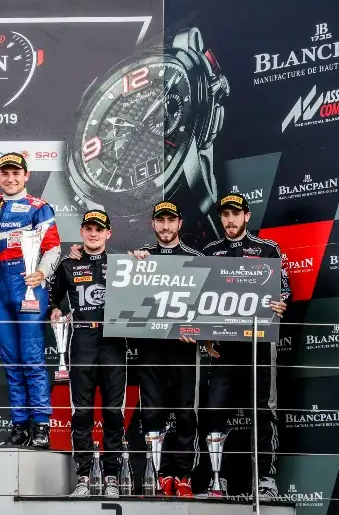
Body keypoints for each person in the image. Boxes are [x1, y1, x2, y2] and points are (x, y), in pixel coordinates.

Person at [69, 201, 203, 497]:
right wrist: (77, 254)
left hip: (182, 350)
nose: (165, 226)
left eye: (170, 220)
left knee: (185, 413)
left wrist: (198, 330)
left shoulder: (197, 258)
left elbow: (208, 306)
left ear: (179, 223)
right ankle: (157, 475)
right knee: (151, 414)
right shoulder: (139, 257)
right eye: (160, 221)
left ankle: (183, 476)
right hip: (149, 348)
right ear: (152, 224)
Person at [201, 193, 289, 499]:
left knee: (263, 410)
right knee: (214, 410)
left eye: (235, 214)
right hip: (224, 346)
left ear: (246, 216)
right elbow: (200, 298)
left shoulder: (268, 249)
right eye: (225, 214)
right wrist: (205, 336)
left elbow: (284, 288)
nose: (229, 220)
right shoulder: (210, 251)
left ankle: (265, 478)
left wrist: (281, 302)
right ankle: (217, 479)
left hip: (259, 343)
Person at [0, 152, 61, 448]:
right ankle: (20, 425)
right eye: (5, 173)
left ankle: (42, 425)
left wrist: (41, 273)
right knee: (11, 361)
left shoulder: (39, 207)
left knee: (32, 358)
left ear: (26, 176)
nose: (10, 179)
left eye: (16, 173)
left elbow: (53, 249)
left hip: (28, 286)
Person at [51, 210, 124, 497]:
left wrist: (141, 260)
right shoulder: (68, 264)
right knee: (81, 412)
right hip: (82, 339)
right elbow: (52, 297)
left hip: (113, 341)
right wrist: (54, 310)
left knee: (113, 412)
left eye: (99, 229)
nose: (93, 234)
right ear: (81, 232)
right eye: (89, 229)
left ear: (108, 234)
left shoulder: (121, 264)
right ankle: (83, 476)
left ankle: (112, 477)